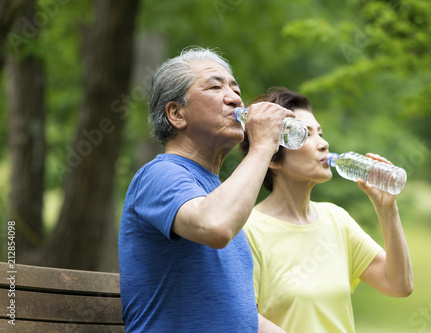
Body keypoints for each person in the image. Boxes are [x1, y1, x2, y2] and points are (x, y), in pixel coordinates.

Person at [118, 47, 289, 332]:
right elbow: (215, 226)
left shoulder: (219, 193)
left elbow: (234, 311)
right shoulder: (159, 175)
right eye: (215, 86)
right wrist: (261, 147)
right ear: (176, 113)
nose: (235, 97)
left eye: (236, 88)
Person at [241, 88, 414, 333]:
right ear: (272, 157)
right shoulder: (248, 231)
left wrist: (388, 210)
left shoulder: (337, 220)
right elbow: (241, 319)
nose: (323, 144)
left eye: (320, 133)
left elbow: (399, 284)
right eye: (305, 135)